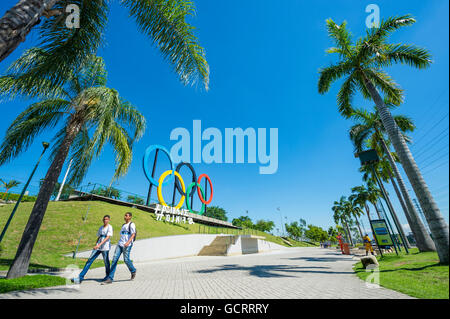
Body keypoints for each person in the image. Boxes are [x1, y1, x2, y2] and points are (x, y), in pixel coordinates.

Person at [72, 215, 113, 284]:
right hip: (98, 247)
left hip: (105, 247)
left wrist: (99, 245)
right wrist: (96, 244)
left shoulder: (110, 227)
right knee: (89, 260)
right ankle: (80, 277)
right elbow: (99, 236)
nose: (105, 220)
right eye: (104, 219)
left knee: (106, 262)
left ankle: (108, 277)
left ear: (109, 220)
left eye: (106, 219)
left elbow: (107, 237)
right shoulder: (101, 227)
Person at [103, 212, 136, 284]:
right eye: (124, 215)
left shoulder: (132, 224)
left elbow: (133, 234)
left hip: (127, 245)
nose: (125, 216)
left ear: (130, 217)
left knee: (126, 260)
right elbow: (122, 234)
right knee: (114, 260)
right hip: (120, 244)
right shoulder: (123, 225)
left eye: (126, 215)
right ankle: (110, 278)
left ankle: (133, 270)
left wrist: (127, 242)